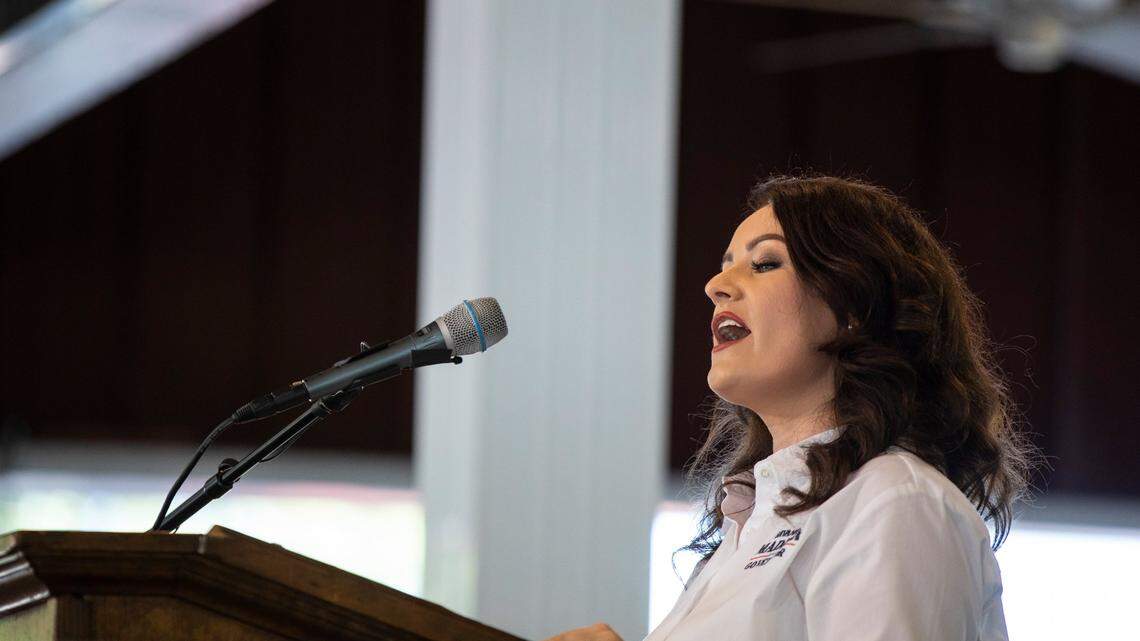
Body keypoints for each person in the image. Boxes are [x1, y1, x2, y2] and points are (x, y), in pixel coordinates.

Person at [543, 174, 1041, 641]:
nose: (715, 285)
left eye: (764, 263)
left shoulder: (895, 500)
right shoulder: (746, 527)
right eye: (725, 265)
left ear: (855, 306)